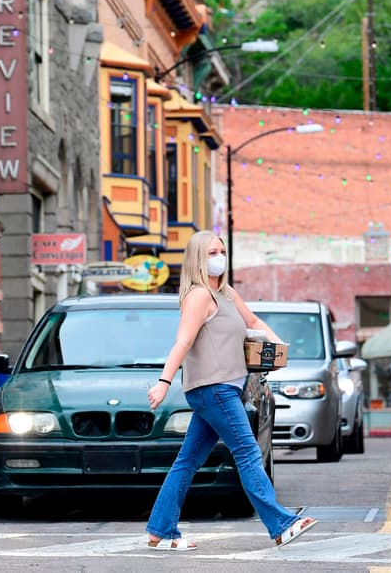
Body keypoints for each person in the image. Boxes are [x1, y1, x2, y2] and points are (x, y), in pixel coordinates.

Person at [144, 230, 318, 551]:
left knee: (187, 461)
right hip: (214, 389)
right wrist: (164, 382)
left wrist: (279, 347)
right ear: (198, 259)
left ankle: (160, 530)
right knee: (248, 453)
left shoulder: (225, 293)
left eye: (221, 252)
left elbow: (254, 321)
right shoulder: (199, 296)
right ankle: (281, 525)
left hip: (222, 389)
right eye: (211, 253)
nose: (219, 258)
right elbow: (183, 342)